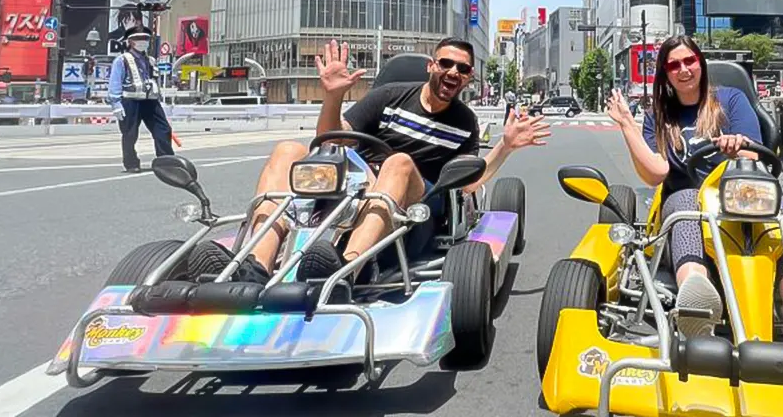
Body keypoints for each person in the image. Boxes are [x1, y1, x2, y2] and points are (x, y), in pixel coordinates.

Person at [187, 37, 552, 285]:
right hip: (353, 187)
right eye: (446, 64)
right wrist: (332, 99)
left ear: (469, 78)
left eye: (463, 69)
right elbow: (332, 139)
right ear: (431, 66)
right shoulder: (389, 97)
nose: (453, 73)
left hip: (413, 206)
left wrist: (504, 146)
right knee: (289, 150)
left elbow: (469, 184)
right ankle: (257, 265)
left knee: (399, 163)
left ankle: (348, 268)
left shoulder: (464, 123)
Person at [605, 35, 783, 351]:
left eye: (689, 61)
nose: (684, 70)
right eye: (674, 65)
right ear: (665, 74)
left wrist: (738, 146)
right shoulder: (659, 116)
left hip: (742, 199)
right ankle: (697, 302)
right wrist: (627, 124)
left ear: (700, 63)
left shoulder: (730, 99)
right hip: (691, 204)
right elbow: (656, 173)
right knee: (683, 203)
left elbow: (754, 154)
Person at [107, 25, 174, 173]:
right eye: (138, 39)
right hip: (130, 101)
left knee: (163, 129)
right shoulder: (122, 60)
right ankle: (131, 163)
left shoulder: (150, 60)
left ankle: (166, 160)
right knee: (130, 134)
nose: (142, 41)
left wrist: (159, 98)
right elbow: (115, 81)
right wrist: (116, 104)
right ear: (130, 41)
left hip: (150, 101)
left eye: (145, 39)